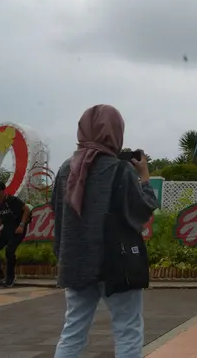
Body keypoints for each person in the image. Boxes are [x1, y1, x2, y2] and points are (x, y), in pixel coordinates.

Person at [53, 104, 158, 358]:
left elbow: (57, 213)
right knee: (128, 330)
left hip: (76, 262)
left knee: (73, 331)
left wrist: (63, 255)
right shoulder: (119, 169)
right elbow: (143, 209)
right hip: (115, 264)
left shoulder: (66, 169)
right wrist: (144, 176)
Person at [0, 181, 31, 288]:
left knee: (9, 251)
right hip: (6, 229)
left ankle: (10, 277)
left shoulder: (12, 200)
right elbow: (0, 217)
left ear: (1, 192)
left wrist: (22, 225)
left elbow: (27, 210)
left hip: (17, 230)